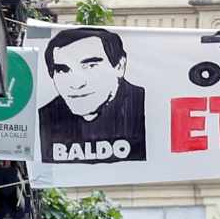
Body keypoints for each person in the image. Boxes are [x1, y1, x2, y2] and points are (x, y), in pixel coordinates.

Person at [38, 26, 147, 166]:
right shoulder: (46, 115)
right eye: (62, 70)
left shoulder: (144, 107)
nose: (76, 84)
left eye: (90, 66)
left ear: (119, 66)